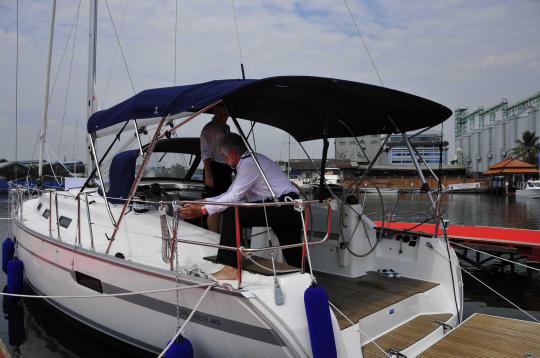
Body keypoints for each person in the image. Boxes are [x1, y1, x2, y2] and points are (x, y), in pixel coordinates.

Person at [180, 133, 304, 280]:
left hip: (281, 205)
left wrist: (202, 210)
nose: (225, 161)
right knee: (294, 254)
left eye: (224, 157)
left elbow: (233, 198)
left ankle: (230, 268)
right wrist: (200, 203)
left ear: (232, 154)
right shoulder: (251, 162)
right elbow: (229, 193)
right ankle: (307, 278)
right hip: (290, 207)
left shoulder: (248, 163)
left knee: (233, 212)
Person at [200, 103, 233, 232]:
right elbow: (206, 153)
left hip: (225, 168)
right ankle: (213, 235)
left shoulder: (226, 128)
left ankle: (220, 235)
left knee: (223, 204)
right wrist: (208, 173)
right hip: (214, 168)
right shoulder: (208, 129)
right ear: (214, 112)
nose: (223, 118)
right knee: (214, 205)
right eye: (220, 114)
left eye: (225, 115)